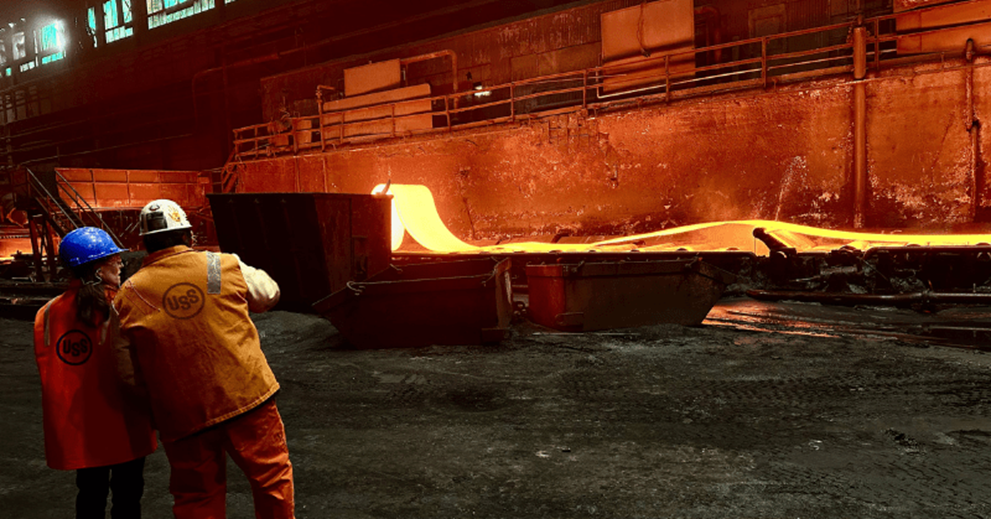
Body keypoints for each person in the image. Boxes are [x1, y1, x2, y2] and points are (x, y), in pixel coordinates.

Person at [112, 199, 294, 519]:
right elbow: (269, 295)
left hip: (182, 414)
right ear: (188, 235)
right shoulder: (218, 265)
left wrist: (157, 411)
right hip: (247, 397)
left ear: (145, 243)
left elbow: (126, 373)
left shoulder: (129, 292)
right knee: (271, 481)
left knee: (197, 497)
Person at [33, 227, 157, 519]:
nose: (121, 264)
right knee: (128, 497)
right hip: (125, 423)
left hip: (81, 429)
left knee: (89, 496)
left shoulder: (47, 314)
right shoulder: (124, 306)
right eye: (114, 260)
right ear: (99, 269)